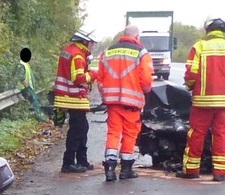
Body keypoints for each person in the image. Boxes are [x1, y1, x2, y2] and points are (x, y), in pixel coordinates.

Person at [180, 18, 225, 182]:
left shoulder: (199, 46)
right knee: (221, 135)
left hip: (202, 101)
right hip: (224, 101)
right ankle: (219, 173)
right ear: (223, 31)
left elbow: (191, 73)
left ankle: (191, 170)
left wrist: (190, 86)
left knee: (197, 134)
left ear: (208, 31)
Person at [94, 24, 154, 182]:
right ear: (137, 36)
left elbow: (100, 79)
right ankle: (126, 170)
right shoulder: (141, 53)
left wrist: (105, 96)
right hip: (132, 103)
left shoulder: (107, 52)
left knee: (113, 133)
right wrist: (144, 91)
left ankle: (110, 169)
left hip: (112, 102)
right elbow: (146, 81)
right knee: (129, 134)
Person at [53, 29, 96, 173]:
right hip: (73, 98)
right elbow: (78, 78)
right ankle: (69, 162)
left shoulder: (68, 50)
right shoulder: (78, 55)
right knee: (78, 130)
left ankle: (82, 161)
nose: (93, 46)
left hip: (68, 96)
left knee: (81, 128)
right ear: (85, 41)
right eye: (92, 43)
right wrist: (93, 75)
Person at [18, 47, 47, 121]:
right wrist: (27, 86)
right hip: (26, 88)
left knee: (35, 102)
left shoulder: (25, 64)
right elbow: (21, 76)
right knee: (34, 104)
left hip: (29, 88)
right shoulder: (22, 64)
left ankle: (39, 118)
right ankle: (40, 118)